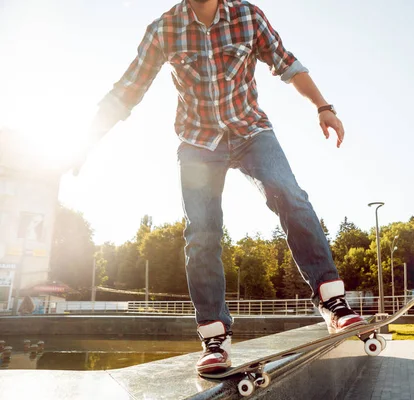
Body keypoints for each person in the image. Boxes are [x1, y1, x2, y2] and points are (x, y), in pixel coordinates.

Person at [73, 0, 366, 375]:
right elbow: (128, 89)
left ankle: (333, 302)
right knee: (202, 232)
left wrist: (323, 106)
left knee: (290, 195)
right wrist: (85, 140)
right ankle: (214, 336)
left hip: (251, 132)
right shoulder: (165, 28)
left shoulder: (248, 16)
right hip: (198, 142)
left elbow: (287, 65)